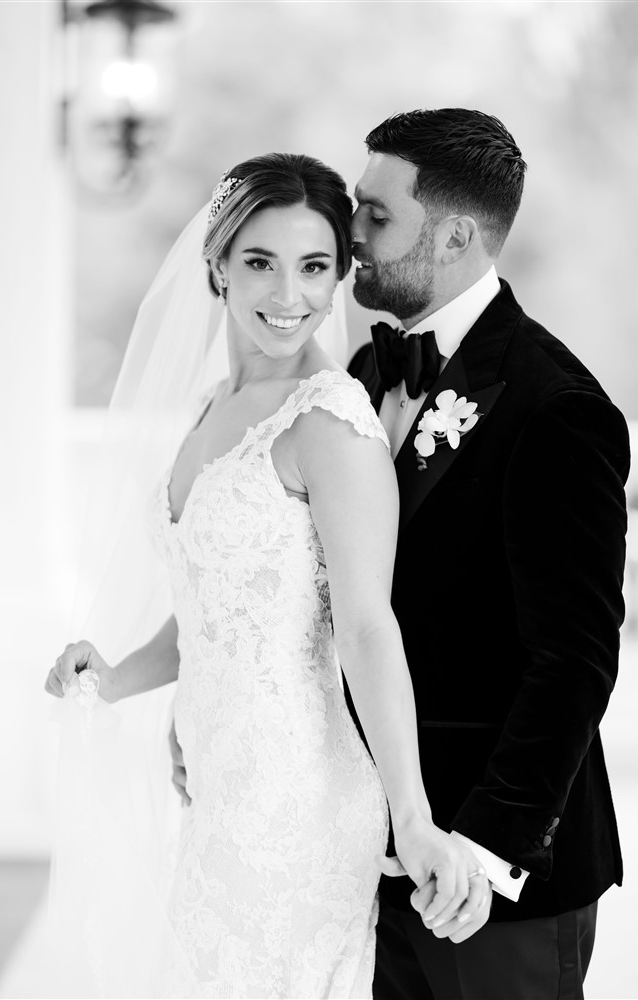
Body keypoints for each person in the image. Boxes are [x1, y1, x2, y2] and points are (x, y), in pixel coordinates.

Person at [45, 153, 489, 1000]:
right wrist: (113, 675)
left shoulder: (330, 422)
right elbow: (212, 611)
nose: (289, 294)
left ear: (338, 279)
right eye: (260, 262)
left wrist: (416, 818)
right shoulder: (210, 406)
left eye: (315, 267)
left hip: (301, 800)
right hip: (218, 785)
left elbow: (366, 627)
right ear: (216, 264)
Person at [345, 108, 629, 1000]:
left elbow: (575, 662)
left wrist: (482, 846)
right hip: (360, 851)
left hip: (493, 883)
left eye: (376, 214)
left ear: (458, 233)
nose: (351, 233)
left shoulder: (558, 409)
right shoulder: (363, 376)